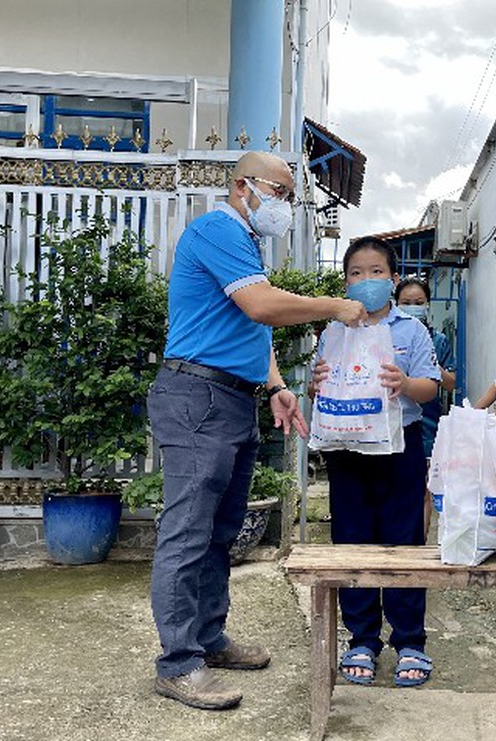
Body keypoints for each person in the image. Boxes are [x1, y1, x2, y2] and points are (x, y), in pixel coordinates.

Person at [148, 151, 367, 711]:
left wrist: (275, 387)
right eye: (283, 193)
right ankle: (177, 663)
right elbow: (263, 306)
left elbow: (249, 327)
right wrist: (334, 306)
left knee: (221, 531)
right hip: (197, 395)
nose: (287, 207)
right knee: (189, 531)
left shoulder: (244, 244)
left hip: (229, 398)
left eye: (292, 197)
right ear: (244, 186)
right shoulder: (216, 229)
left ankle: (208, 638)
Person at [311, 237, 441, 688]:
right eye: (356, 273)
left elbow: (430, 388)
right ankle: (362, 639)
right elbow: (318, 385)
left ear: (393, 277)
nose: (366, 281)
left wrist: (404, 382)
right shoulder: (333, 330)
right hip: (347, 448)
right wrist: (317, 384)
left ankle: (410, 641)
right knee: (352, 538)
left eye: (376, 272)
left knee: (404, 539)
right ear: (345, 281)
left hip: (399, 446)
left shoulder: (412, 330)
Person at [394, 275, 457, 538]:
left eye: (418, 302)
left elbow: (452, 382)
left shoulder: (439, 340)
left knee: (423, 488)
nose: (413, 306)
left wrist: (430, 363)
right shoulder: (385, 334)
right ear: (396, 303)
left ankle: (417, 542)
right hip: (393, 421)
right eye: (406, 302)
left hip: (429, 423)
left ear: (428, 304)